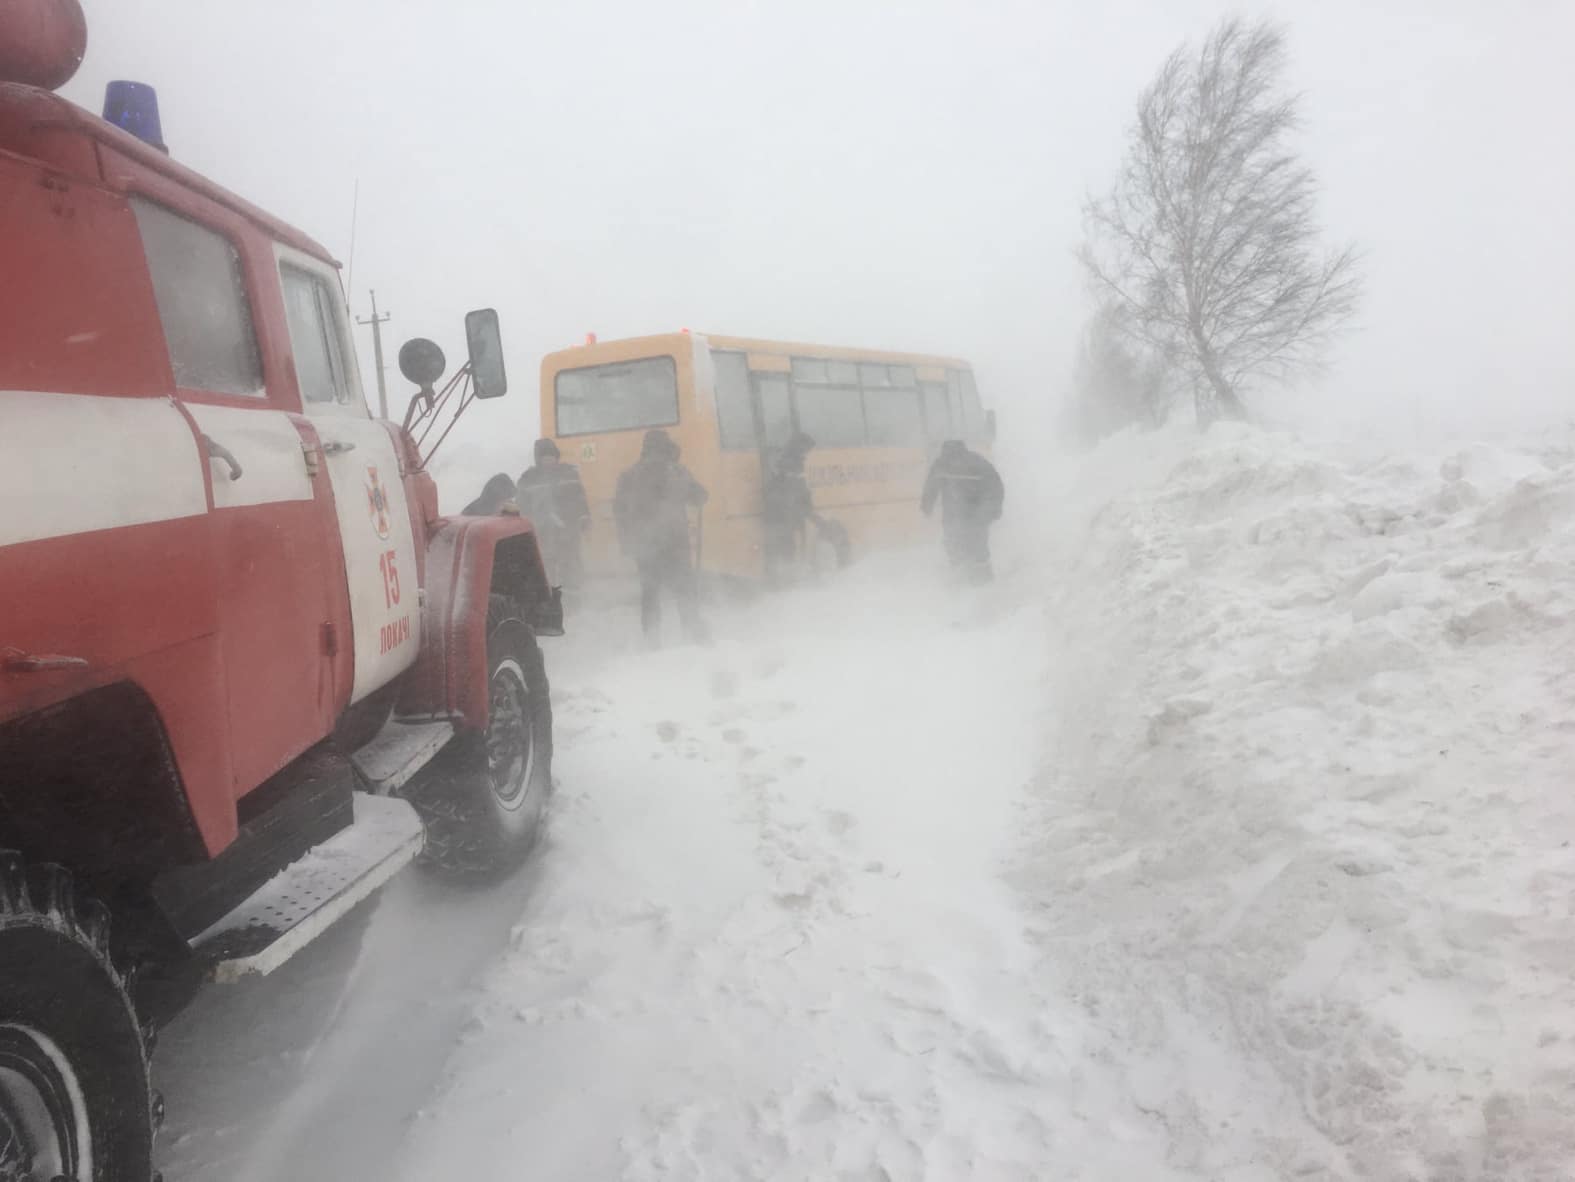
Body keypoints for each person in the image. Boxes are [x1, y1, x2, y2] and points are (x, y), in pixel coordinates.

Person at [613, 429, 709, 645]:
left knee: (650, 591)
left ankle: (652, 637)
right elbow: (697, 495)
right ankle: (693, 630)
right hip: (675, 540)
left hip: (645, 544)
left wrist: (627, 542)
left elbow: (619, 511)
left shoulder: (630, 475)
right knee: (684, 586)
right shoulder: (675, 470)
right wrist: (700, 494)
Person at [920, 439, 1004, 583]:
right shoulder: (976, 461)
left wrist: (927, 506)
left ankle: (964, 580)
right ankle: (981, 579)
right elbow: (996, 485)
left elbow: (930, 487)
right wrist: (994, 508)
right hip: (974, 515)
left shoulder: (941, 463)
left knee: (957, 545)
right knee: (976, 546)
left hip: (961, 515)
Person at [516, 438, 591, 591]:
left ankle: (573, 598)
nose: (549, 461)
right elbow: (522, 504)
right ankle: (548, 598)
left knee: (570, 563)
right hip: (541, 531)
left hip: (568, 528)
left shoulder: (569, 473)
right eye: (545, 458)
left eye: (552, 457)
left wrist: (584, 516)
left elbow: (580, 498)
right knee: (545, 566)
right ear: (538, 459)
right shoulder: (528, 478)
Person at [760, 432, 817, 586]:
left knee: (783, 546)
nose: (807, 452)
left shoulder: (786, 461)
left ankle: (781, 579)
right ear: (800, 447)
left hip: (781, 513)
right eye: (807, 449)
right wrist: (806, 507)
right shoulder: (791, 463)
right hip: (783, 514)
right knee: (786, 547)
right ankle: (783, 581)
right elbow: (797, 488)